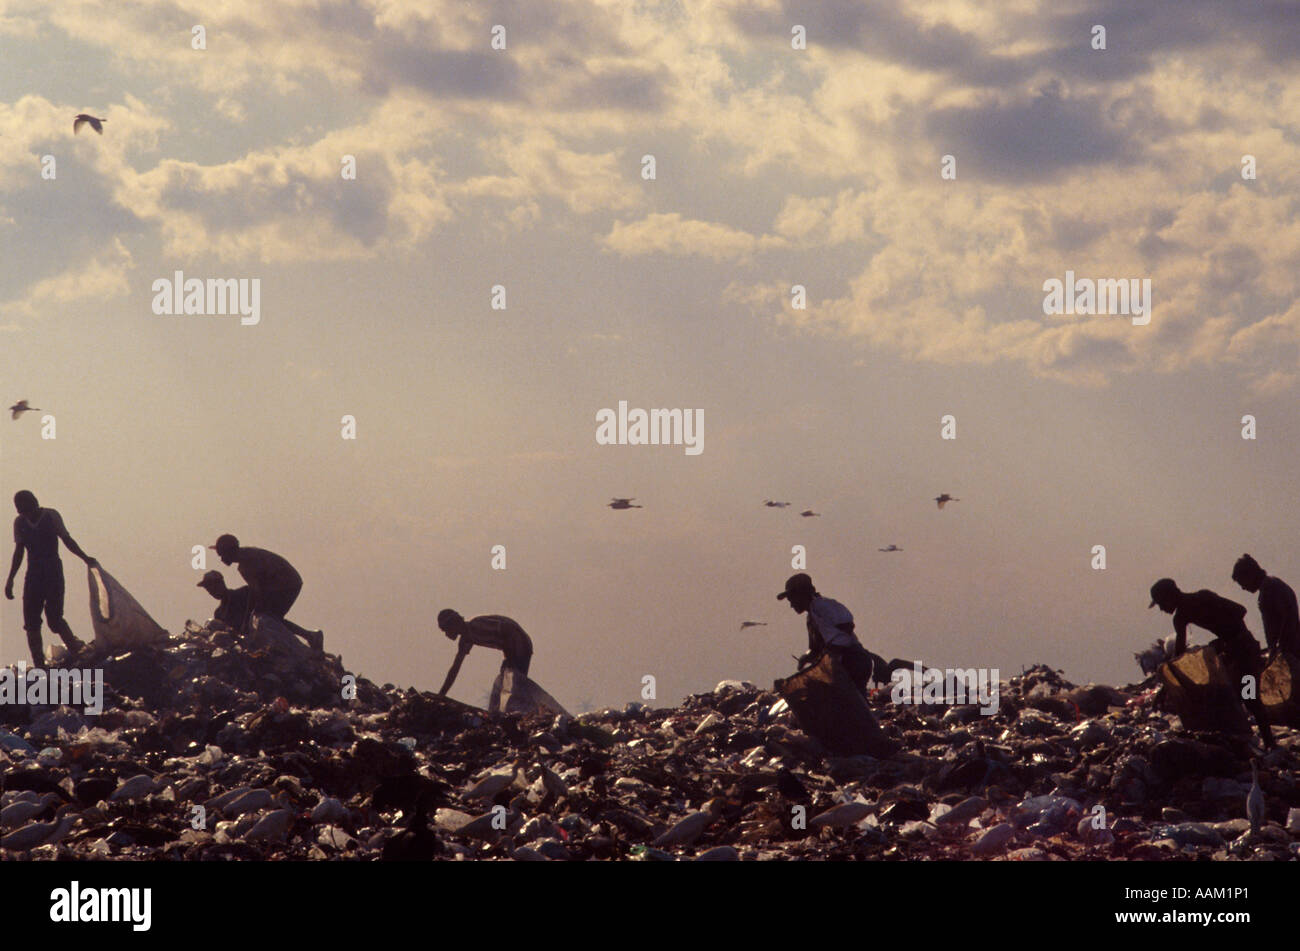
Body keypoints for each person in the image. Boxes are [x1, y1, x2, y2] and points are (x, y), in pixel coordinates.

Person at [1149, 578, 1275, 749]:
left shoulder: (1203, 598)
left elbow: (1240, 610)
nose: (1162, 609)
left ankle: (1270, 743)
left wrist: (1227, 636)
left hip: (1244, 650)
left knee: (1249, 696)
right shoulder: (1182, 617)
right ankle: (1248, 744)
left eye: (1161, 604)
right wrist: (1166, 686)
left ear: (1169, 596)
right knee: (1232, 698)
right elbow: (1177, 659)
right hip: (1234, 653)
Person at [4, 490, 97, 667]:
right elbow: (19, 552)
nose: (26, 514)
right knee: (31, 622)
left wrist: (85, 557)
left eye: (27, 509)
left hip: (52, 572)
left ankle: (76, 649)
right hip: (33, 575)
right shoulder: (20, 523)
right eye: (22, 511)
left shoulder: (50, 516)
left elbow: (67, 539)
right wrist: (10, 580)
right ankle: (39, 664)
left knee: (54, 618)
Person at [210, 534, 321, 651]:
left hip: (285, 585)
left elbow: (255, 593)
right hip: (286, 583)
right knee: (271, 618)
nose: (221, 559)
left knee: (268, 619)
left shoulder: (246, 565)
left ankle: (303, 642)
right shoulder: (247, 555)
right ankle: (309, 637)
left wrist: (248, 618)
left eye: (222, 554)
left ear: (230, 551)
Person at [777, 573, 880, 696]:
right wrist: (805, 658)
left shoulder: (823, 605)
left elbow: (847, 625)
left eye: (792, 599)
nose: (791, 605)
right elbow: (814, 649)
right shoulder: (811, 619)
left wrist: (832, 651)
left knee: (851, 700)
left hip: (854, 661)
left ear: (803, 594)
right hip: (843, 666)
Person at [436, 609, 534, 708]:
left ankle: (522, 707)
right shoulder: (465, 641)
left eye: (445, 629)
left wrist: (510, 658)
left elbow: (507, 628)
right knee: (507, 684)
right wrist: (441, 694)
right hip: (512, 649)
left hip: (520, 642)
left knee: (512, 682)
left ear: (453, 624)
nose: (446, 634)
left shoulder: (476, 625)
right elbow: (455, 669)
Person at [1231, 554, 1300, 660]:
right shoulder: (1276, 584)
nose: (1243, 588)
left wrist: (1274, 650)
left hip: (1290, 651)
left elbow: (1280, 622)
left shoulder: (1268, 592)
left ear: (1250, 575)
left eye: (1242, 582)